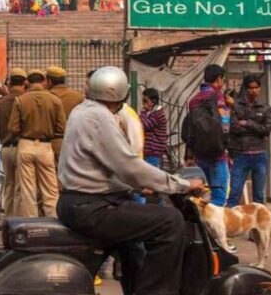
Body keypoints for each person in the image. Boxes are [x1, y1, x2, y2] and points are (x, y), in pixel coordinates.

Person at [58, 66, 204, 295]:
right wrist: (182, 185)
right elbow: (129, 165)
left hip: (81, 202)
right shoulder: (99, 118)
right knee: (171, 221)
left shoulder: (83, 110)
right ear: (121, 94)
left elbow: (102, 166)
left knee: (133, 242)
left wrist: (135, 186)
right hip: (92, 207)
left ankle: (135, 288)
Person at [8, 69, 67, 218]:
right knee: (50, 189)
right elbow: (62, 127)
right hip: (46, 146)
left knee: (28, 189)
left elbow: (13, 128)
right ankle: (53, 220)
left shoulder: (20, 100)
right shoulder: (55, 100)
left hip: (25, 145)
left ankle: (31, 223)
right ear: (44, 81)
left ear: (27, 82)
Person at [184, 64, 231, 207]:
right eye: (223, 79)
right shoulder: (218, 96)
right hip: (217, 155)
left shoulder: (193, 100)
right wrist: (230, 108)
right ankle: (211, 220)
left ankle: (204, 218)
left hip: (201, 155)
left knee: (208, 193)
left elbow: (191, 128)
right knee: (219, 197)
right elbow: (225, 123)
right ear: (219, 79)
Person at [228, 75, 271, 206]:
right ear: (245, 88)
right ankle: (230, 218)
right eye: (250, 88)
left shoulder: (266, 107)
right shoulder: (237, 106)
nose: (253, 90)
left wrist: (247, 123)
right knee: (234, 194)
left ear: (259, 88)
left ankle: (258, 218)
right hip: (241, 154)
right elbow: (233, 128)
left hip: (259, 155)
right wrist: (257, 129)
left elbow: (266, 129)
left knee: (258, 195)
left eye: (256, 87)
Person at [0, 69, 27, 217]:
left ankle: (8, 218)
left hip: (5, 148)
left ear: (10, 83)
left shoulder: (0, 103)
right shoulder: (26, 101)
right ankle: (18, 219)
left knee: (8, 184)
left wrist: (4, 136)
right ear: (25, 83)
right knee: (20, 186)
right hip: (22, 147)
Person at [46, 67, 84, 159]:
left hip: (49, 143)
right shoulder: (77, 96)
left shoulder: (45, 96)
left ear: (49, 81)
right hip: (73, 142)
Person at [140, 88, 167, 170]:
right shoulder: (150, 113)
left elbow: (141, 125)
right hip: (148, 152)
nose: (143, 103)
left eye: (145, 101)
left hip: (153, 153)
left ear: (153, 102)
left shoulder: (157, 115)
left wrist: (143, 110)